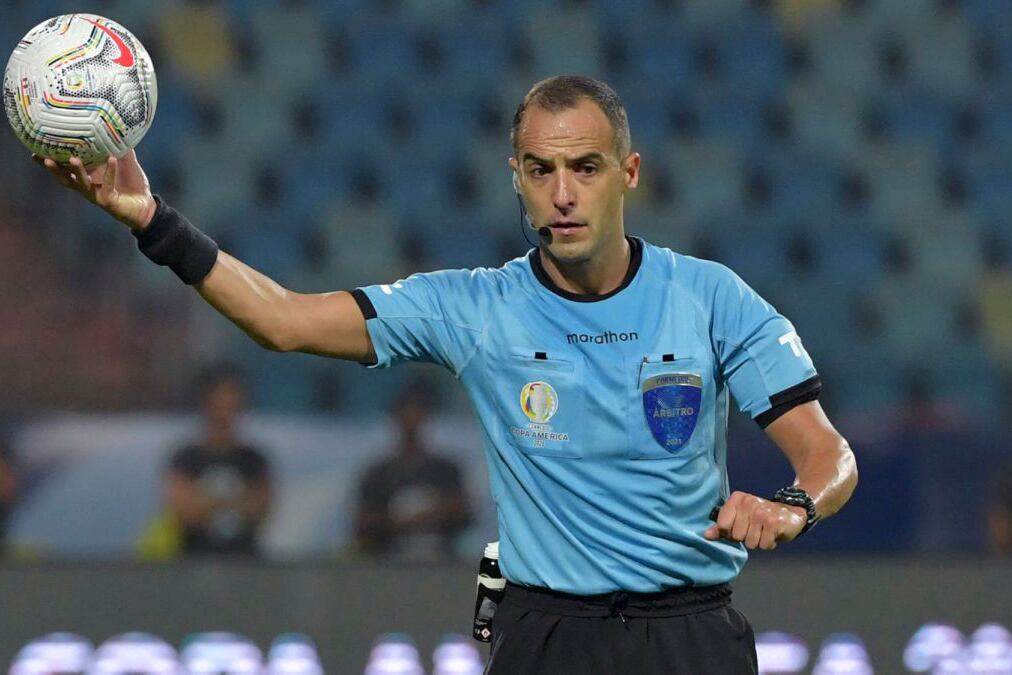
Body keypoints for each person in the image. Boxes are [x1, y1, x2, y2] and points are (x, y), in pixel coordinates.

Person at [36, 75, 858, 674]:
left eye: (587, 167)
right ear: (516, 180)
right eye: (540, 169)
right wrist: (153, 223)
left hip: (691, 638)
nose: (564, 193)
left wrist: (791, 507)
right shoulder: (476, 308)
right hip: (548, 638)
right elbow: (283, 319)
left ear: (629, 173)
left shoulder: (709, 297)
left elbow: (829, 458)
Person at [354, 381, 472, 562]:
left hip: (440, 563)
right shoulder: (379, 473)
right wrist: (400, 522)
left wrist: (432, 513)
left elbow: (464, 513)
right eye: (406, 413)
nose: (412, 420)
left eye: (417, 413)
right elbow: (363, 523)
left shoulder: (444, 469)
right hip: (390, 565)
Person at [164, 364, 272, 557]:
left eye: (232, 400)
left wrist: (206, 502)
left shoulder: (253, 459)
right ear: (206, 403)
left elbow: (261, 509)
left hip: (246, 563)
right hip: (195, 561)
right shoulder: (185, 458)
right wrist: (237, 502)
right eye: (220, 400)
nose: (226, 409)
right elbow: (184, 512)